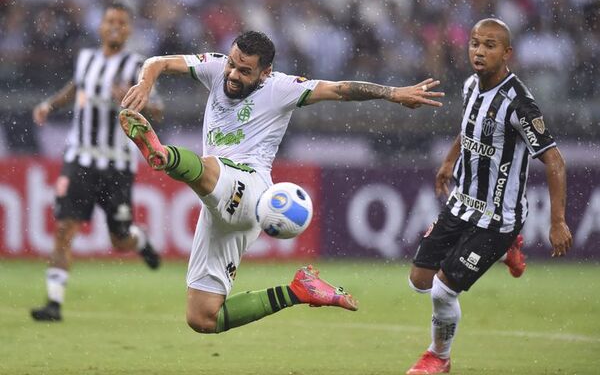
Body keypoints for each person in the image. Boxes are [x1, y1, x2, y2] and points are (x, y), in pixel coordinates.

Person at [119, 31, 444, 334]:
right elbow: (157, 62)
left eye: (244, 71)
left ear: (265, 72)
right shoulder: (217, 67)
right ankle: (298, 289)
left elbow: (339, 89)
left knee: (206, 168)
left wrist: (392, 94)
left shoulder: (282, 87)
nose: (232, 75)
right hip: (220, 205)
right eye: (232, 64)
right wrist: (146, 83)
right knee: (203, 317)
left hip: (252, 189)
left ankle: (163, 155)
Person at [405, 18, 573, 374]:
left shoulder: (519, 104)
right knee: (418, 281)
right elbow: (468, 125)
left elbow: (555, 163)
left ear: (507, 53)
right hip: (461, 202)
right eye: (475, 43)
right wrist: (450, 160)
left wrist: (557, 221)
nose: (479, 51)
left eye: (490, 45)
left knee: (441, 292)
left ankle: (439, 357)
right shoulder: (470, 85)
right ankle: (505, 253)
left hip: (499, 219)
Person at [30, 3, 163, 322]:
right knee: (64, 228)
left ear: (129, 30)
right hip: (80, 159)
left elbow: (158, 110)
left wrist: (132, 100)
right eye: (110, 21)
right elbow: (77, 87)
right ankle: (54, 303)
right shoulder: (86, 58)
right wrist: (50, 104)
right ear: (101, 27)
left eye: (121, 22)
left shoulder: (137, 68)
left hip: (117, 165)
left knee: (119, 240)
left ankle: (139, 239)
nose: (115, 26)